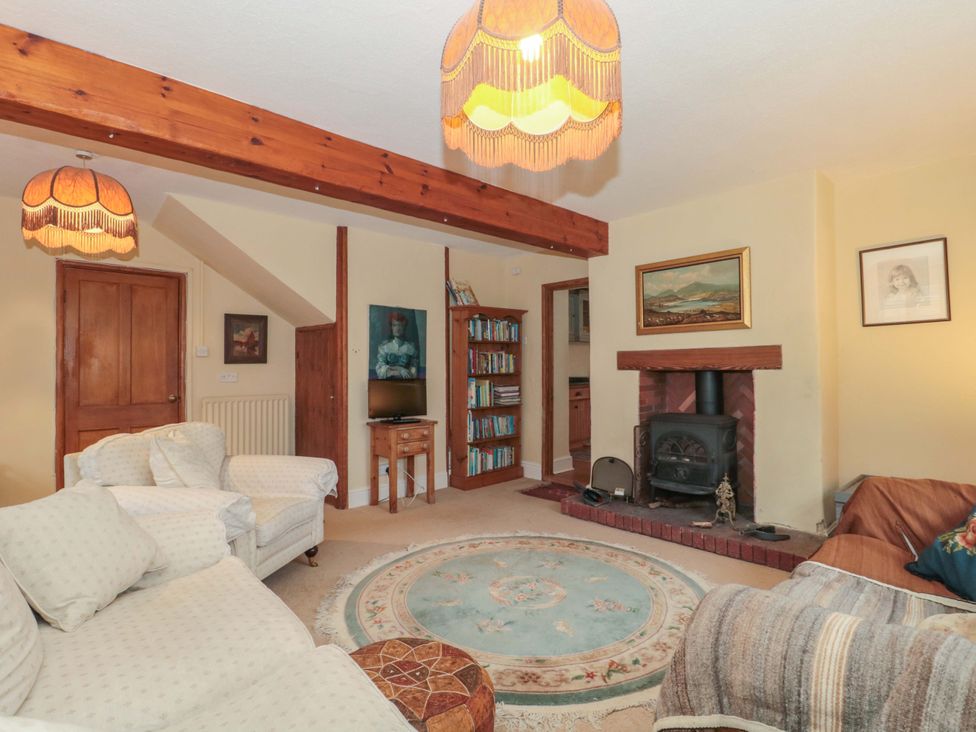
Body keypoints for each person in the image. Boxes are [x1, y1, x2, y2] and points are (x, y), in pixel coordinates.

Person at [375, 311, 418, 379]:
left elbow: (413, 371)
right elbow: (380, 370)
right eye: (394, 325)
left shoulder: (411, 348)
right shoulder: (384, 347)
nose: (397, 328)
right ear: (391, 327)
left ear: (405, 327)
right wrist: (400, 370)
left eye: (400, 325)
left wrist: (410, 373)